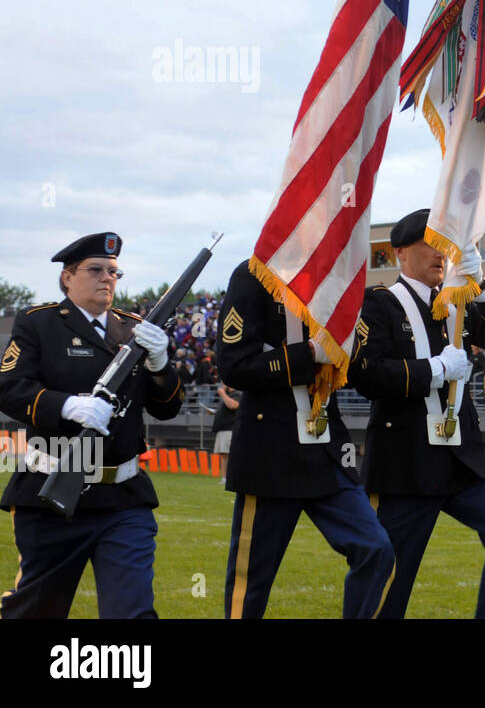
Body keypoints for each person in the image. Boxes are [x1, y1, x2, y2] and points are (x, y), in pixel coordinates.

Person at [347, 211, 485, 619]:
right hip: (406, 462)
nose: (439, 255)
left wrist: (482, 284)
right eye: (430, 245)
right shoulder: (379, 303)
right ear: (400, 251)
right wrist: (433, 370)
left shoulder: (457, 302)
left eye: (444, 247)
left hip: (462, 461)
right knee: (389, 578)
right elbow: (366, 373)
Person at [0, 232, 184, 618]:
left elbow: (168, 408)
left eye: (114, 272)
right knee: (35, 610)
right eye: (96, 270)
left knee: (132, 612)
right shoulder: (40, 323)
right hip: (52, 494)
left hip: (123, 499)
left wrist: (161, 364)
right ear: (68, 277)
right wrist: (66, 406)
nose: (107, 278)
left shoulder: (135, 330)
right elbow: (9, 387)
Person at [217, 257, 395, 619]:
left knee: (376, 549)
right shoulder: (254, 276)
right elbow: (233, 365)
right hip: (271, 448)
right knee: (250, 582)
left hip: (327, 447)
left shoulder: (334, 275)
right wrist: (308, 353)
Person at [212, 381, 240, 479]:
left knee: (229, 454)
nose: (222, 385)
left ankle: (230, 477)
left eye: (224, 383)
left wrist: (223, 394)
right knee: (224, 455)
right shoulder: (227, 394)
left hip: (230, 429)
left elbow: (234, 405)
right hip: (223, 429)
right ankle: (224, 477)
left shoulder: (237, 393)